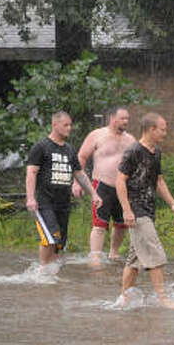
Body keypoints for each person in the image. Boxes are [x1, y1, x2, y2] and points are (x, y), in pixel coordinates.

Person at [117, 112, 174, 310]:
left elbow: (159, 181)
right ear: (151, 129)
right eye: (162, 129)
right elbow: (119, 180)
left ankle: (124, 299)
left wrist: (173, 205)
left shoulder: (156, 152)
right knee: (155, 253)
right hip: (136, 211)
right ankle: (163, 299)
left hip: (148, 209)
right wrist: (126, 210)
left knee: (134, 260)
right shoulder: (133, 152)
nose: (166, 133)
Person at [25, 111, 102, 267]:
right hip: (45, 202)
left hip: (63, 203)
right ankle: (42, 270)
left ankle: (52, 273)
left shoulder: (69, 149)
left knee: (59, 242)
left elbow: (80, 174)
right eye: (65, 125)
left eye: (70, 125)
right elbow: (31, 173)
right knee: (50, 239)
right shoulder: (41, 146)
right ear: (55, 125)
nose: (69, 128)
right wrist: (30, 198)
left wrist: (94, 194)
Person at [73, 106, 137, 266]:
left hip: (123, 188)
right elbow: (81, 157)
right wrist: (77, 182)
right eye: (123, 118)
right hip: (101, 184)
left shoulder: (131, 140)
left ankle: (113, 253)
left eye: (127, 119)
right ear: (112, 118)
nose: (126, 122)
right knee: (100, 224)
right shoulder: (97, 135)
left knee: (121, 224)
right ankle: (95, 256)